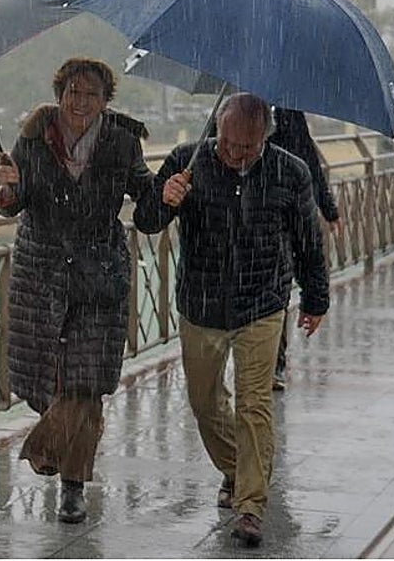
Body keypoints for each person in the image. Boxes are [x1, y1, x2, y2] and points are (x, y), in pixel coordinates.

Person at [134, 92, 329, 547]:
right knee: (204, 403)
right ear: (217, 129)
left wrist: (315, 298)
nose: (235, 154)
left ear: (266, 137)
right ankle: (236, 467)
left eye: (247, 147)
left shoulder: (290, 171)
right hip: (201, 303)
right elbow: (146, 221)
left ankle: (250, 506)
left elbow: (307, 240)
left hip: (262, 302)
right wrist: (164, 199)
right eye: (228, 143)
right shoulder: (188, 160)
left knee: (254, 404)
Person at [0, 56, 155, 525]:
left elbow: (144, 196)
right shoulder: (33, 137)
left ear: (106, 101)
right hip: (41, 274)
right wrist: (7, 188)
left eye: (92, 94)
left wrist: (165, 195)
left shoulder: (122, 141)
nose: (80, 102)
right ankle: (60, 447)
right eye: (73, 92)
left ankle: (70, 483)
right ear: (59, 93)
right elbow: (12, 204)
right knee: (52, 385)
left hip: (98, 275)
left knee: (84, 385)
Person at [268, 107, 342, 391]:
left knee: (275, 292)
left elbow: (308, 164)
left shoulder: (288, 114)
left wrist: (328, 208)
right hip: (239, 220)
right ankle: (266, 361)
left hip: (281, 216)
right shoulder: (232, 109)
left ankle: (273, 363)